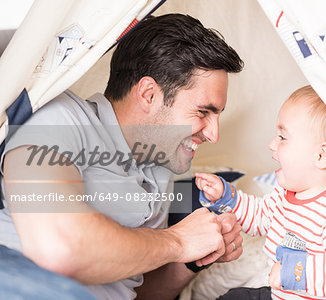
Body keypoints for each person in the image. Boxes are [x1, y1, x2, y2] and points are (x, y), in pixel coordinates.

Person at [0, 14, 244, 300]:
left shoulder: (159, 170)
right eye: (203, 112)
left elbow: (136, 292)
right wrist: (178, 240)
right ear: (149, 95)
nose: (214, 135)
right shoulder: (61, 118)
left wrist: (192, 257)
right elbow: (59, 248)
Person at [195, 85, 326, 299]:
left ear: (321, 156)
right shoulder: (287, 193)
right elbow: (260, 216)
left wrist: (294, 272)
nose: (272, 144)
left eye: (283, 137)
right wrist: (227, 197)